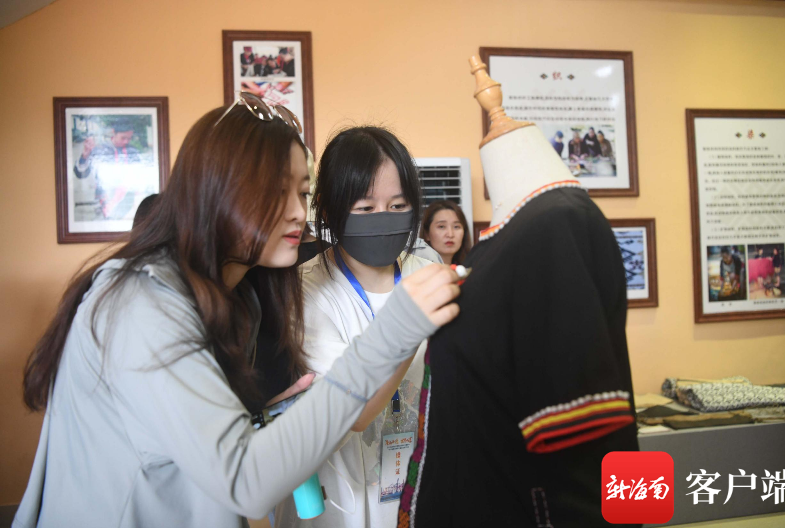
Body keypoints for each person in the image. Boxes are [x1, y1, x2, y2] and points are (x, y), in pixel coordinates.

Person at [13, 97, 461, 527]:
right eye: (276, 192)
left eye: (302, 192)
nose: (296, 213)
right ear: (216, 193)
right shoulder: (140, 304)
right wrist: (397, 328)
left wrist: (262, 419)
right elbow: (247, 482)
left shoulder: (240, 298)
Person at [274, 127, 433, 528]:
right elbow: (353, 413)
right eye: (365, 208)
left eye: (398, 205)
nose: (384, 218)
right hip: (338, 508)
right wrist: (413, 324)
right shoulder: (304, 293)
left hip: (416, 493)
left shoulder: (430, 275)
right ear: (329, 211)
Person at [73, 118, 143, 220]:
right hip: (102, 204)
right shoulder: (100, 150)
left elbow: (139, 177)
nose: (126, 141)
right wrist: (85, 156)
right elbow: (80, 173)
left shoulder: (133, 152)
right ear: (114, 132)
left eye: (129, 138)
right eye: (123, 138)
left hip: (127, 203)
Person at [420, 200, 472, 266]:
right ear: (427, 234)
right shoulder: (417, 269)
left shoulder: (470, 268)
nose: (450, 234)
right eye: (441, 226)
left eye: (456, 227)